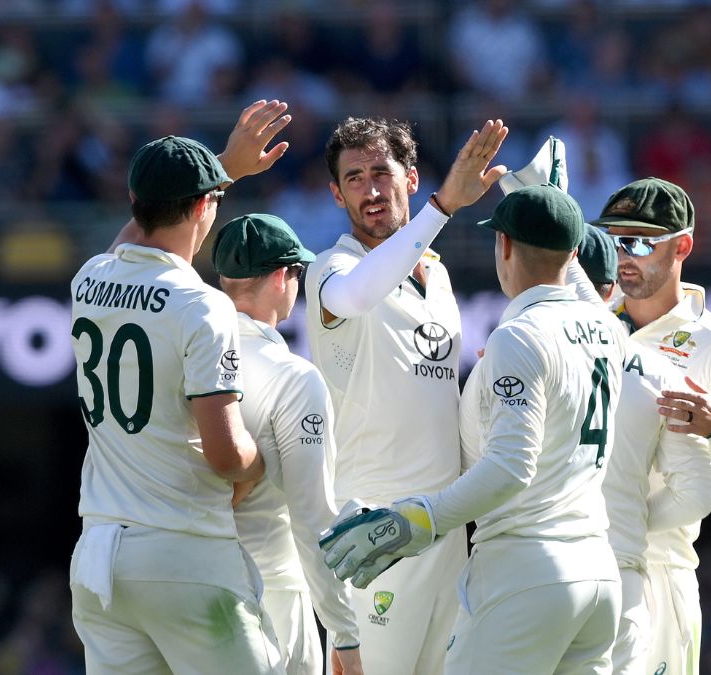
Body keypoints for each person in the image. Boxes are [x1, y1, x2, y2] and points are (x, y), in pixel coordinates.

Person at [321, 184, 627, 674]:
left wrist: (416, 519)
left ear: (502, 245)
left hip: (524, 571)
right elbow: (594, 303)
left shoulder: (519, 336)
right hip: (598, 575)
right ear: (573, 254)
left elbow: (510, 467)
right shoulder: (609, 331)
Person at [68, 100, 291, 674]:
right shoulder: (202, 305)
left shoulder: (89, 279)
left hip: (98, 560)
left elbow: (131, 242)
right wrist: (265, 461)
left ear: (135, 202)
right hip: (183, 553)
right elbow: (225, 456)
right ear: (203, 207)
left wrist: (216, 173)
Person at [303, 116, 508, 675]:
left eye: (380, 172)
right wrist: (442, 208)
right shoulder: (331, 268)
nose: (370, 191)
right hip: (374, 531)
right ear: (336, 193)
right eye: (353, 179)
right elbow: (356, 296)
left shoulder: (437, 278)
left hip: (442, 527)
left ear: (410, 178)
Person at [595, 177, 711, 674]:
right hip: (576, 556)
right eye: (614, 241)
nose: (624, 257)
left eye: (639, 242)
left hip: (660, 569)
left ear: (683, 246)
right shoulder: (587, 322)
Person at [211, 213, 363, 675]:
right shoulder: (293, 377)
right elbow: (314, 521)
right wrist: (346, 634)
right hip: (270, 601)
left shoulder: (185, 358)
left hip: (185, 588)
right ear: (283, 277)